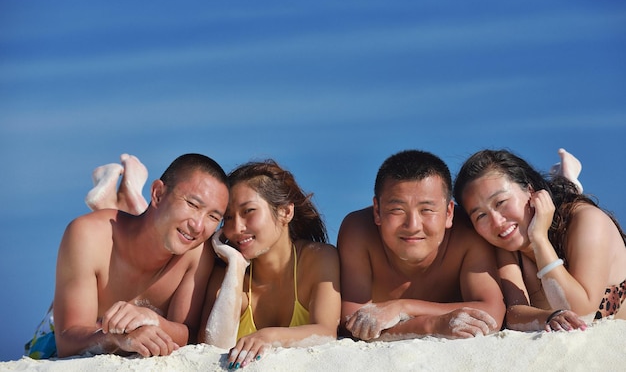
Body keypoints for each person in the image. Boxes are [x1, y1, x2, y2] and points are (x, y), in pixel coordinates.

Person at [29, 153, 230, 358]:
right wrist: (115, 338)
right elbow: (66, 341)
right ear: (158, 194)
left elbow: (189, 335)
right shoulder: (86, 235)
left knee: (155, 227)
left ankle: (125, 198)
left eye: (213, 217)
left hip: (142, 232)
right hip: (60, 333)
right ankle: (122, 200)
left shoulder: (196, 253)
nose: (198, 226)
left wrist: (153, 319)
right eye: (193, 204)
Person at [338, 150, 505, 341]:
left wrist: (403, 307)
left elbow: (492, 314)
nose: (413, 226)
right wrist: (432, 324)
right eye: (397, 210)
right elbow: (351, 323)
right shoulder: (358, 231)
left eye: (427, 210)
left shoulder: (466, 233)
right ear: (377, 211)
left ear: (449, 212)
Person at [453, 148, 626, 332]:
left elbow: (580, 313)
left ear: (529, 190)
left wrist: (539, 238)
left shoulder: (588, 221)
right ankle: (564, 181)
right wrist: (548, 317)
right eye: (481, 215)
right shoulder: (506, 244)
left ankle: (566, 183)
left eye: (501, 202)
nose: (497, 222)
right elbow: (513, 313)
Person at [199, 160, 340, 369]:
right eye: (227, 217)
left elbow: (326, 333)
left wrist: (268, 336)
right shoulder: (225, 275)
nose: (236, 227)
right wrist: (236, 267)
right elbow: (211, 347)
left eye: (248, 211)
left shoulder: (318, 258)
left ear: (285, 212)